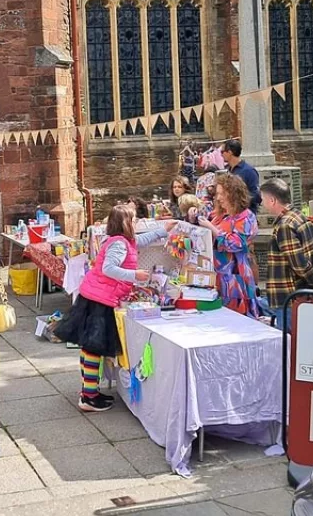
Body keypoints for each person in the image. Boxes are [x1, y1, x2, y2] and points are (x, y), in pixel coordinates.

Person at [56, 205, 173, 413]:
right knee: (93, 348)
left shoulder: (124, 241)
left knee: (88, 346)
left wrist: (165, 229)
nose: (136, 222)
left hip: (94, 296)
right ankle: (89, 397)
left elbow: (142, 240)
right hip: (100, 300)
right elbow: (108, 269)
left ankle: (88, 390)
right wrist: (134, 275)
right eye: (134, 219)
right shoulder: (119, 244)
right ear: (126, 223)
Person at [259, 179, 313, 328]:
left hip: (289, 296)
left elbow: (299, 264)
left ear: (272, 200)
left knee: (290, 345)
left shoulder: (285, 225)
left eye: (263, 199)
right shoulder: (299, 216)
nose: (261, 203)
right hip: (302, 294)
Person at [200, 173, 259, 317]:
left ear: (233, 194)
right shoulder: (221, 214)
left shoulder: (246, 217)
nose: (218, 197)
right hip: (217, 276)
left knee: (236, 317)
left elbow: (236, 244)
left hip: (235, 277)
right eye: (217, 193)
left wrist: (212, 229)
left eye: (222, 193)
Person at [221, 139, 261, 213]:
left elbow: (257, 196)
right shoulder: (229, 170)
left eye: (222, 152)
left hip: (246, 215)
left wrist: (239, 200)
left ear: (230, 152)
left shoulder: (249, 171)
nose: (221, 155)